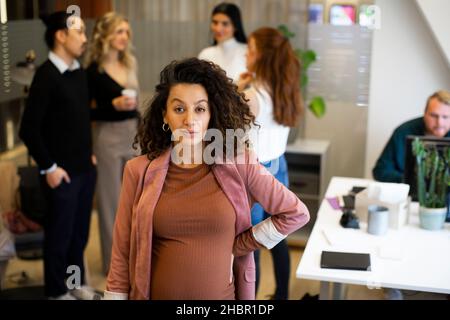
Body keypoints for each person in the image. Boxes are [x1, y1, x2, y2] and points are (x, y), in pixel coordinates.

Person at [103, 58, 310, 300]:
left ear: (212, 114)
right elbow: (121, 252)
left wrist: (241, 244)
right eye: (179, 109)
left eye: (200, 109)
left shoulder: (240, 164)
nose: (190, 120)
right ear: (165, 115)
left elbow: (295, 213)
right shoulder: (137, 171)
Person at [19, 12, 97, 300]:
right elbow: (28, 130)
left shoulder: (78, 72)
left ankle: (74, 284)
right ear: (60, 36)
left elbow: (78, 119)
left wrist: (89, 155)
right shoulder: (46, 76)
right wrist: (49, 167)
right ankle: (56, 292)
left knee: (79, 236)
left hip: (85, 170)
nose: (85, 39)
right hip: (60, 174)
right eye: (80, 32)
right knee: (59, 237)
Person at [237, 27, 302, 300]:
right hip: (279, 167)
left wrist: (238, 88)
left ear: (261, 56)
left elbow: (227, 130)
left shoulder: (253, 96)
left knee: (250, 245)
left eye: (250, 49)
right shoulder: (285, 91)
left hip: (256, 175)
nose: (246, 54)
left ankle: (248, 300)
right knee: (276, 238)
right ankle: (282, 295)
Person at [85, 12, 140, 275]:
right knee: (110, 205)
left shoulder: (130, 63)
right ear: (104, 34)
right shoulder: (92, 72)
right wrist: (112, 105)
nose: (124, 37)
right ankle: (113, 266)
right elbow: (84, 113)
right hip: (107, 138)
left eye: (126, 32)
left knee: (137, 203)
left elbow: (136, 105)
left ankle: (135, 261)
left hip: (133, 136)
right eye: (119, 31)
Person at [373, 90, 450, 183]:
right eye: (434, 115)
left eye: (445, 117)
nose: (439, 123)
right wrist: (412, 181)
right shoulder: (403, 132)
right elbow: (380, 171)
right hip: (408, 193)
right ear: (425, 113)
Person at [198, 2, 247, 83]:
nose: (218, 29)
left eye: (225, 24)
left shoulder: (248, 53)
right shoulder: (205, 54)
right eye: (215, 22)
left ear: (235, 26)